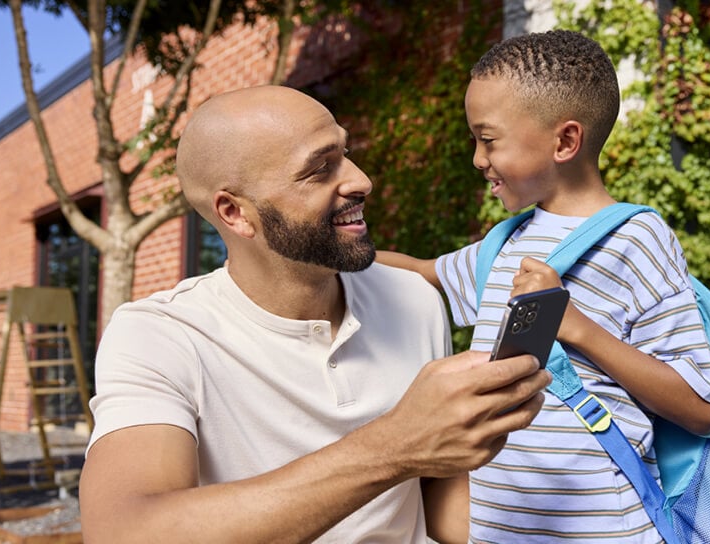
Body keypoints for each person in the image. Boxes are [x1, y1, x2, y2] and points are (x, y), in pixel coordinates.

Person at [78, 85, 551, 544]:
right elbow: (124, 529)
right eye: (320, 169)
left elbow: (435, 502)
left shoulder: (413, 300)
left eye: (346, 153)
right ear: (235, 213)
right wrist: (394, 446)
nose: (361, 180)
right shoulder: (160, 336)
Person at [376, 30, 710, 541]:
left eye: (488, 139)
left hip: (607, 531)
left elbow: (702, 408)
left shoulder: (638, 238)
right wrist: (326, 253)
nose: (477, 158)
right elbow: (421, 274)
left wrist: (577, 328)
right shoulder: (502, 244)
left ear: (565, 141)